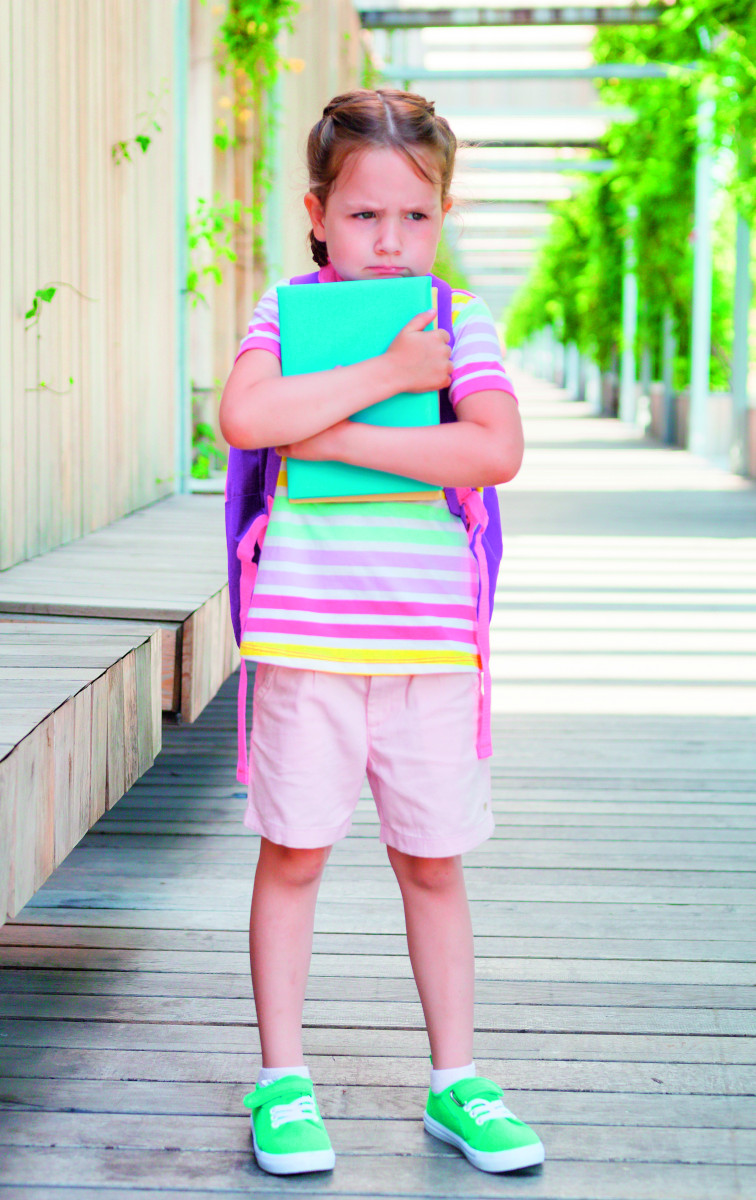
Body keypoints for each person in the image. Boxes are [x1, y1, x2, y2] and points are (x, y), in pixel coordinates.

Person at [219, 87, 544, 1178]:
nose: (390, 240)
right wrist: (395, 382)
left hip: (428, 654)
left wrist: (334, 432)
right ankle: (282, 1081)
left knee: (433, 864)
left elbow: (492, 451)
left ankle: (457, 1080)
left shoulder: (458, 320)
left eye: (415, 216)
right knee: (294, 857)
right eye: (364, 216)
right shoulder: (285, 314)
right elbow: (249, 418)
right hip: (305, 650)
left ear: (443, 215)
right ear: (319, 215)